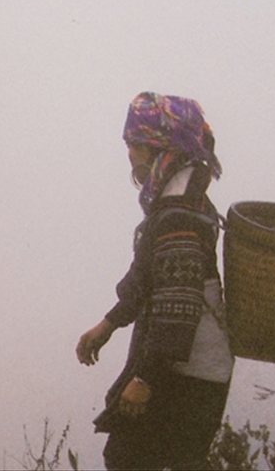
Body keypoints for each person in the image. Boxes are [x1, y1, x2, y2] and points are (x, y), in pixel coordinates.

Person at [75, 91, 234, 470]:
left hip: (188, 372)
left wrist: (146, 379)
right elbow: (149, 274)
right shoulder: (178, 197)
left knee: (128, 459)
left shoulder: (178, 211)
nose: (129, 154)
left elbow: (178, 305)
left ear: (160, 146)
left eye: (134, 144)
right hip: (193, 369)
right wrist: (109, 322)